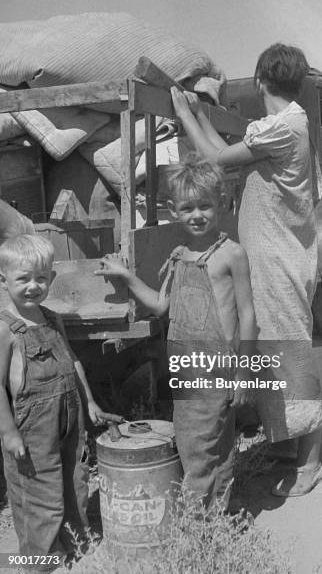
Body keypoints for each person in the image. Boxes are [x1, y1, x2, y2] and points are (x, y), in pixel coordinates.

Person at [171, 42, 322, 497]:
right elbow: (225, 150)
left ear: (260, 82)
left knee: (291, 355)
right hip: (270, 259)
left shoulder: (282, 126)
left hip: (280, 261)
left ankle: (311, 462)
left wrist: (184, 115)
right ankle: (284, 445)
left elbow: (216, 161)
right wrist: (199, 115)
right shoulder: (282, 126)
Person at [95, 155, 257, 508]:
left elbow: (247, 315)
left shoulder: (232, 254)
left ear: (222, 203)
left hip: (216, 366)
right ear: (172, 210)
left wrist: (244, 373)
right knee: (214, 446)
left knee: (195, 448)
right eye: (187, 208)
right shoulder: (179, 254)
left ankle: (197, 529)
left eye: (205, 206)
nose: (197, 215)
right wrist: (127, 277)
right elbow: (162, 306)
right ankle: (218, 522)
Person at [0, 234, 120, 567]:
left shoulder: (54, 319)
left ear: (52, 279)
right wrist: (8, 432)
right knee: (38, 490)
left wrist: (91, 402)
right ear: (3, 280)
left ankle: (74, 540)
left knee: (74, 478)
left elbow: (73, 361)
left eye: (41, 278)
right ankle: (39, 559)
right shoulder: (5, 329)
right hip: (31, 425)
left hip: (70, 414)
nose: (33, 286)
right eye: (23, 278)